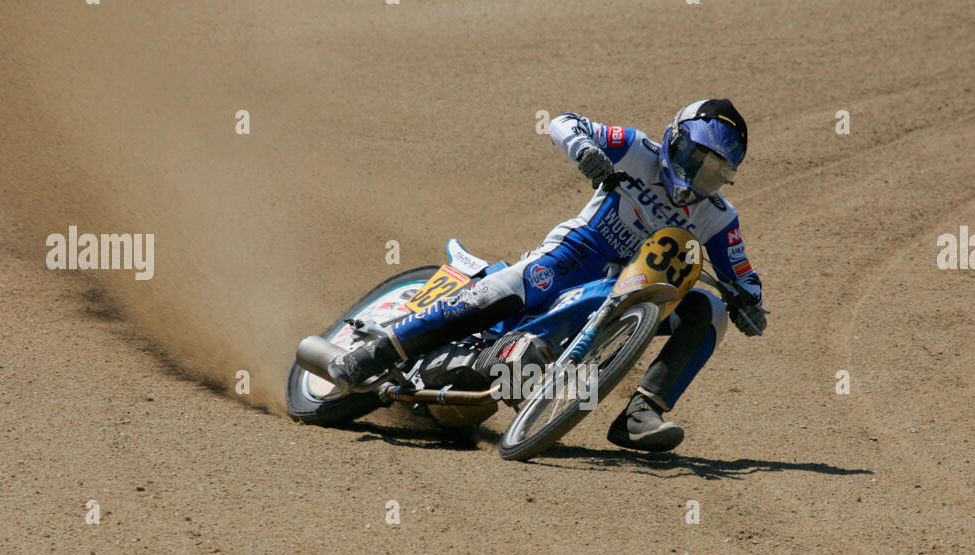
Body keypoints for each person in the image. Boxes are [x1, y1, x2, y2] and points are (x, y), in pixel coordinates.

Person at [301, 98, 767, 452]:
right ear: (674, 142)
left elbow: (744, 275)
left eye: (713, 174)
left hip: (639, 287)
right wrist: (585, 148)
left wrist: (749, 303)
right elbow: (564, 121)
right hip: (574, 254)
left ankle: (642, 414)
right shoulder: (635, 148)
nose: (697, 180)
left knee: (708, 309)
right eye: (695, 161)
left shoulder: (719, 217)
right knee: (508, 290)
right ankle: (367, 356)